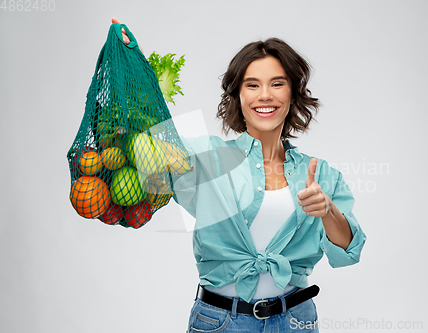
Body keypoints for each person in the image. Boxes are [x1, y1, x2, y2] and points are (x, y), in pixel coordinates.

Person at [112, 17, 366, 333]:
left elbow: (349, 251)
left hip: (295, 322)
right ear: (238, 95)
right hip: (220, 322)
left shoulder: (322, 173)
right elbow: (146, 144)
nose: (265, 95)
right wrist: (131, 60)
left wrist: (327, 210)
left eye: (277, 83)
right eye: (252, 84)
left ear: (292, 93)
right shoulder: (204, 156)